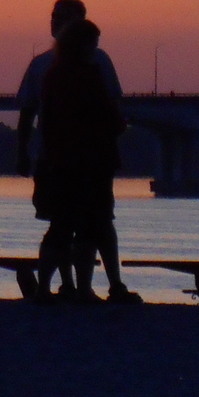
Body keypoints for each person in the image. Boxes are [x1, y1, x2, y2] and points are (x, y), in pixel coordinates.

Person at [15, 0, 123, 297]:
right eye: (54, 16)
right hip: (73, 159)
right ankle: (77, 286)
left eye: (62, 17)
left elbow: (31, 114)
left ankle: (78, 286)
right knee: (77, 224)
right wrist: (23, 151)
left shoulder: (83, 64)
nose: (55, 21)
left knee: (78, 224)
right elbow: (28, 113)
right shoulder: (53, 67)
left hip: (66, 159)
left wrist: (25, 151)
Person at [36, 18, 141, 304]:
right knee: (92, 225)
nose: (95, 48)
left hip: (61, 161)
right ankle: (85, 289)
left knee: (60, 226)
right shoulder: (89, 75)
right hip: (93, 161)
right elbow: (107, 114)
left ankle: (42, 288)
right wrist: (118, 124)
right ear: (83, 44)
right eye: (93, 42)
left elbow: (46, 120)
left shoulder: (52, 75)